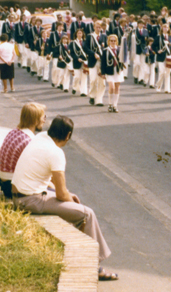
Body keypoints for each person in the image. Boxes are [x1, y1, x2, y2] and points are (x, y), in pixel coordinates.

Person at [12, 115, 116, 278]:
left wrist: (68, 195)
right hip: (31, 200)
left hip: (20, 194)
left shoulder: (40, 137)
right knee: (86, 214)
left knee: (76, 208)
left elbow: (52, 180)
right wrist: (68, 196)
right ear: (68, 136)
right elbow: (61, 194)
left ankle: (84, 258)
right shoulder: (56, 152)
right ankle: (94, 267)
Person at [0, 102, 46, 198]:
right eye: (43, 117)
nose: (44, 120)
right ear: (34, 120)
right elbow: (36, 171)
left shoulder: (14, 132)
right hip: (13, 186)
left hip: (4, 182)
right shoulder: (29, 141)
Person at [101, 34, 125, 113]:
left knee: (117, 88)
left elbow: (123, 58)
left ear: (116, 41)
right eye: (111, 40)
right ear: (109, 41)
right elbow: (103, 62)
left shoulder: (120, 49)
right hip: (109, 71)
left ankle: (115, 105)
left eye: (114, 40)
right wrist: (103, 73)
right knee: (111, 87)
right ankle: (110, 104)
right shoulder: (105, 50)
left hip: (117, 70)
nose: (113, 42)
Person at [85, 21, 106, 106]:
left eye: (99, 27)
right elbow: (85, 47)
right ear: (94, 27)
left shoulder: (104, 36)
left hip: (102, 62)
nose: (98, 28)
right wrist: (93, 54)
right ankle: (92, 96)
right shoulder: (90, 36)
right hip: (92, 61)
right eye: (97, 27)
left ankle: (99, 99)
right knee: (93, 79)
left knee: (102, 82)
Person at [153, 23, 171, 94]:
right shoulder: (158, 37)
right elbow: (153, 46)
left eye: (167, 27)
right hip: (160, 56)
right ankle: (158, 86)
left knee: (168, 72)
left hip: (168, 56)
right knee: (161, 72)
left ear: (169, 29)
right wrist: (157, 51)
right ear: (162, 28)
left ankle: (167, 89)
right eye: (164, 27)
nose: (165, 28)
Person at [69, 29, 88, 96]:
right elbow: (72, 53)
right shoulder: (73, 43)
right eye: (78, 33)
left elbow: (87, 50)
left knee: (84, 77)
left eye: (81, 33)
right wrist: (77, 58)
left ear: (82, 34)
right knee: (77, 77)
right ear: (76, 34)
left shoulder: (85, 42)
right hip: (76, 61)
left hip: (85, 61)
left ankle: (83, 92)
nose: (80, 34)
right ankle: (74, 87)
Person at [133, 19, 148, 85]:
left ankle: (141, 78)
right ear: (138, 24)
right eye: (140, 23)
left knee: (142, 64)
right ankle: (135, 76)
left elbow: (147, 40)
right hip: (136, 48)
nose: (141, 25)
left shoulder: (146, 31)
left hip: (143, 48)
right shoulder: (134, 31)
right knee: (136, 63)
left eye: (142, 24)